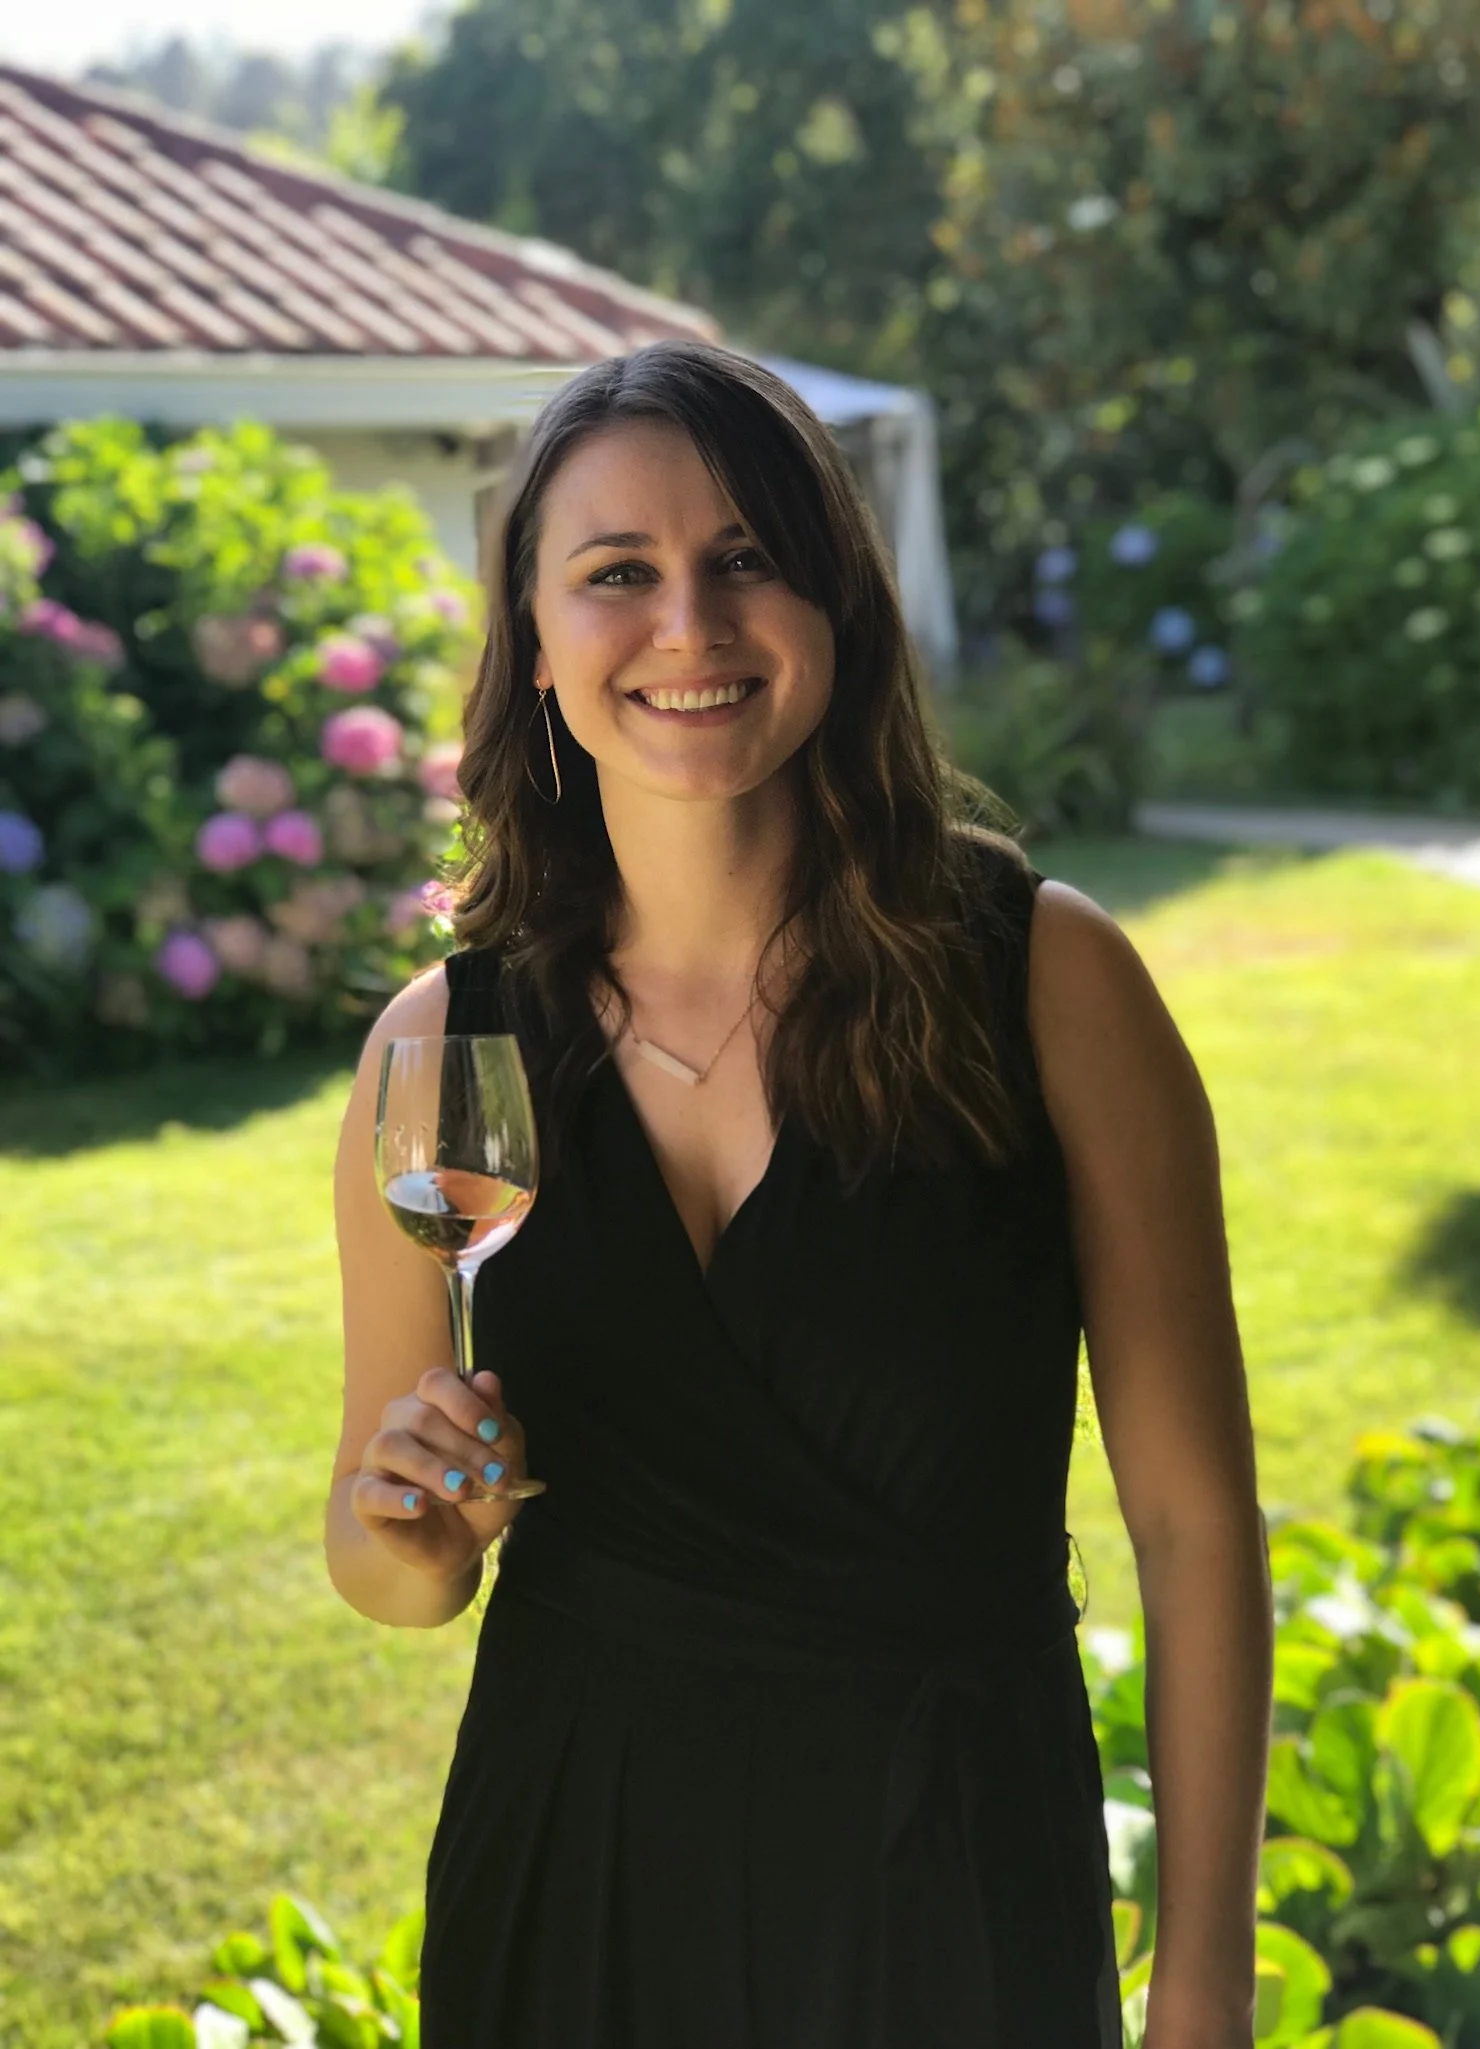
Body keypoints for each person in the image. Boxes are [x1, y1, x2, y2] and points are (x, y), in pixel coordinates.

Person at [326, 338, 1274, 2048]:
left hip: (954, 1872)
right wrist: (409, 1524)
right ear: (536, 646)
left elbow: (1197, 1525)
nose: (687, 623)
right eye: (617, 574)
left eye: (746, 559)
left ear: (837, 607)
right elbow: (390, 1569)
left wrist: (1206, 1980)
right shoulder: (442, 1048)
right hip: (576, 1873)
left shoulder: (1046, 981)